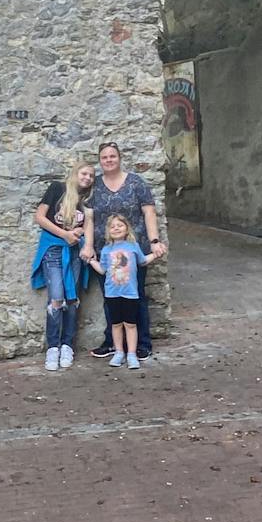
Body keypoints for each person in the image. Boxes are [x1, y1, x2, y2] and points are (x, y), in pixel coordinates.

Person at [82, 141, 166, 359]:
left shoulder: (136, 183)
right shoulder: (95, 187)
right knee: (111, 299)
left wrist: (154, 241)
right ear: (100, 161)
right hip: (106, 252)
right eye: (104, 157)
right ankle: (113, 343)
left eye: (112, 156)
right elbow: (89, 218)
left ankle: (142, 343)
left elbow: (149, 212)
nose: (108, 160)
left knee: (136, 297)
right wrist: (88, 245)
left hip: (132, 251)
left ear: (119, 158)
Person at [30, 159, 95, 370]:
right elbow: (40, 217)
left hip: (74, 252)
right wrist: (64, 234)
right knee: (56, 297)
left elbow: (88, 224)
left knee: (72, 298)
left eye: (91, 176)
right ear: (75, 173)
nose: (87, 178)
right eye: (84, 173)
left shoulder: (87, 199)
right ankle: (53, 347)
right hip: (53, 249)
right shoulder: (57, 189)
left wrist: (83, 239)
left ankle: (68, 344)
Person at [85, 215, 158, 369]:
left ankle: (131, 354)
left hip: (130, 293)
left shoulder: (133, 246)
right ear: (108, 231)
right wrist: (91, 261)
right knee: (116, 324)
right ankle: (119, 352)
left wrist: (156, 254)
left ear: (127, 228)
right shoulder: (106, 250)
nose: (116, 228)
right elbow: (103, 270)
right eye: (112, 226)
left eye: (120, 225)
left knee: (130, 324)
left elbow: (142, 261)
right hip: (112, 294)